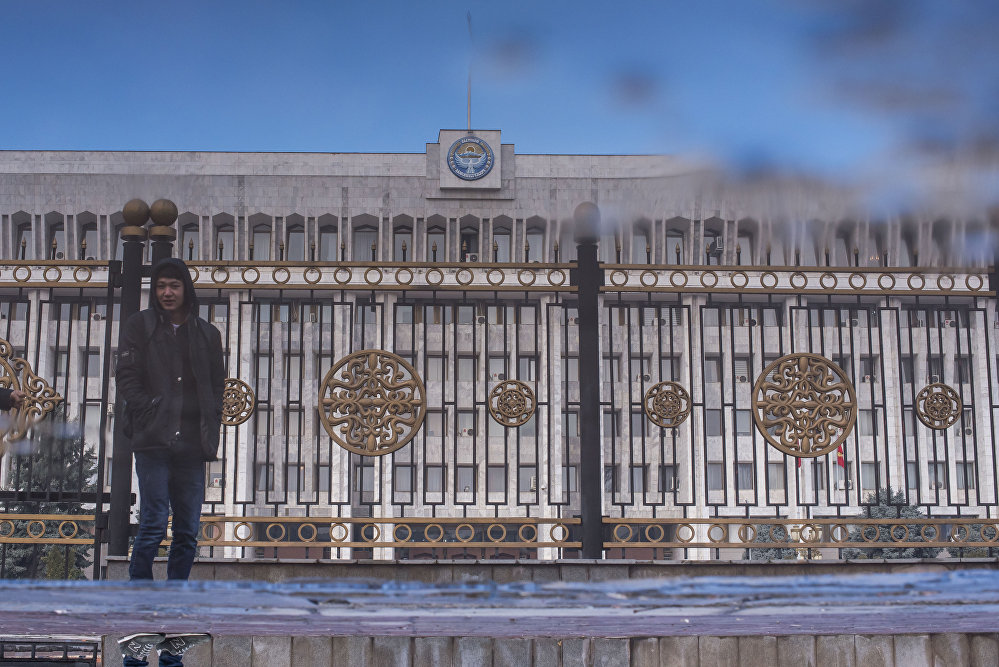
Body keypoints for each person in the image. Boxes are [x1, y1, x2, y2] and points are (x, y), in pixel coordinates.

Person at [115, 257, 224, 667]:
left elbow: (216, 386)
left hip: (192, 448)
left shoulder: (206, 334)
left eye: (174, 285)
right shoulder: (140, 326)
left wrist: (209, 430)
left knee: (188, 534)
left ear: (185, 290)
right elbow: (125, 377)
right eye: (161, 285)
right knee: (153, 523)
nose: (167, 292)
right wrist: (148, 410)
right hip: (153, 443)